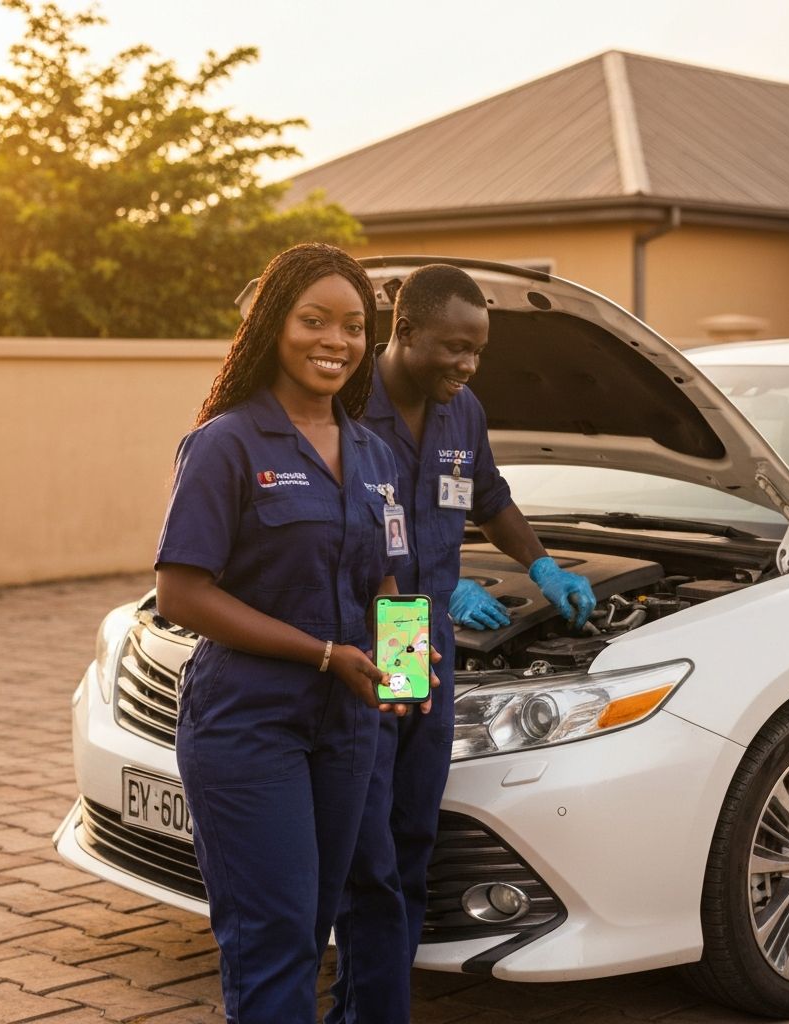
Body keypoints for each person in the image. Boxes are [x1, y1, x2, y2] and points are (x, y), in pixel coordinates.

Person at [328, 263, 597, 1023]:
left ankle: (380, 1000)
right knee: (368, 841)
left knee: (411, 830)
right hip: (367, 638)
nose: (467, 366)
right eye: (454, 348)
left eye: (478, 352)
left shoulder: (463, 410)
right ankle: (362, 1004)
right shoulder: (344, 405)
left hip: (421, 641)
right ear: (403, 332)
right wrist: (428, 592)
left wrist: (540, 563)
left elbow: (490, 498)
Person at [154, 243, 411, 1023]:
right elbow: (181, 594)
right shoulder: (225, 444)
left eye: (355, 326)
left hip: (347, 725)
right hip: (248, 720)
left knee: (319, 923)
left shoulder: (372, 451)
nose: (336, 341)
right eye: (315, 321)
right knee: (273, 940)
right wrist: (325, 654)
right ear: (273, 325)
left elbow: (389, 579)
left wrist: (405, 666)